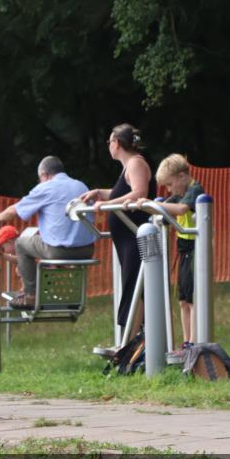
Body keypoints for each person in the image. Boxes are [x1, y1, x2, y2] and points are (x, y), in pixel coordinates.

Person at [78, 124, 156, 342]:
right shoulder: (128, 166)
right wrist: (100, 194)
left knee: (135, 286)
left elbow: (139, 192)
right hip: (126, 238)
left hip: (135, 235)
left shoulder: (136, 163)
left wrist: (108, 204)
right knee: (133, 285)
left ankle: (130, 341)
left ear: (117, 144)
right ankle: (134, 341)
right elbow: (123, 192)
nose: (108, 146)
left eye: (109, 141)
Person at [0, 156, 95, 308]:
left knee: (21, 244)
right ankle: (68, 294)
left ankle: (30, 295)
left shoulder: (46, 187)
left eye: (39, 179)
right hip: (87, 250)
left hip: (59, 251)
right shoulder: (81, 186)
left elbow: (15, 210)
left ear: (44, 175)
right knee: (49, 246)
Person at [138, 154, 205, 355]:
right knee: (183, 299)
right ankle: (187, 341)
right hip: (183, 250)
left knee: (193, 298)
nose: (169, 190)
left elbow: (182, 208)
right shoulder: (179, 193)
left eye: (170, 184)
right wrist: (148, 206)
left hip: (195, 250)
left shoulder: (194, 190)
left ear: (183, 176)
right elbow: (166, 211)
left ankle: (194, 342)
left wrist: (153, 204)